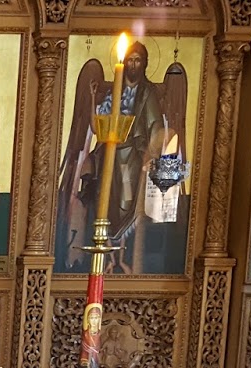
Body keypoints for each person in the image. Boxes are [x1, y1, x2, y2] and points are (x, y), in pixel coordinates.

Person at [55, 42, 181, 274]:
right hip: (109, 156)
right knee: (104, 202)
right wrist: (92, 98)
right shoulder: (114, 92)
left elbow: (155, 126)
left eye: (137, 60)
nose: (133, 65)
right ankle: (108, 259)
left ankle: (121, 259)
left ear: (144, 64)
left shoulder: (147, 93)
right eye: (130, 60)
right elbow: (98, 125)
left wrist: (153, 153)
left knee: (126, 204)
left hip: (132, 157)